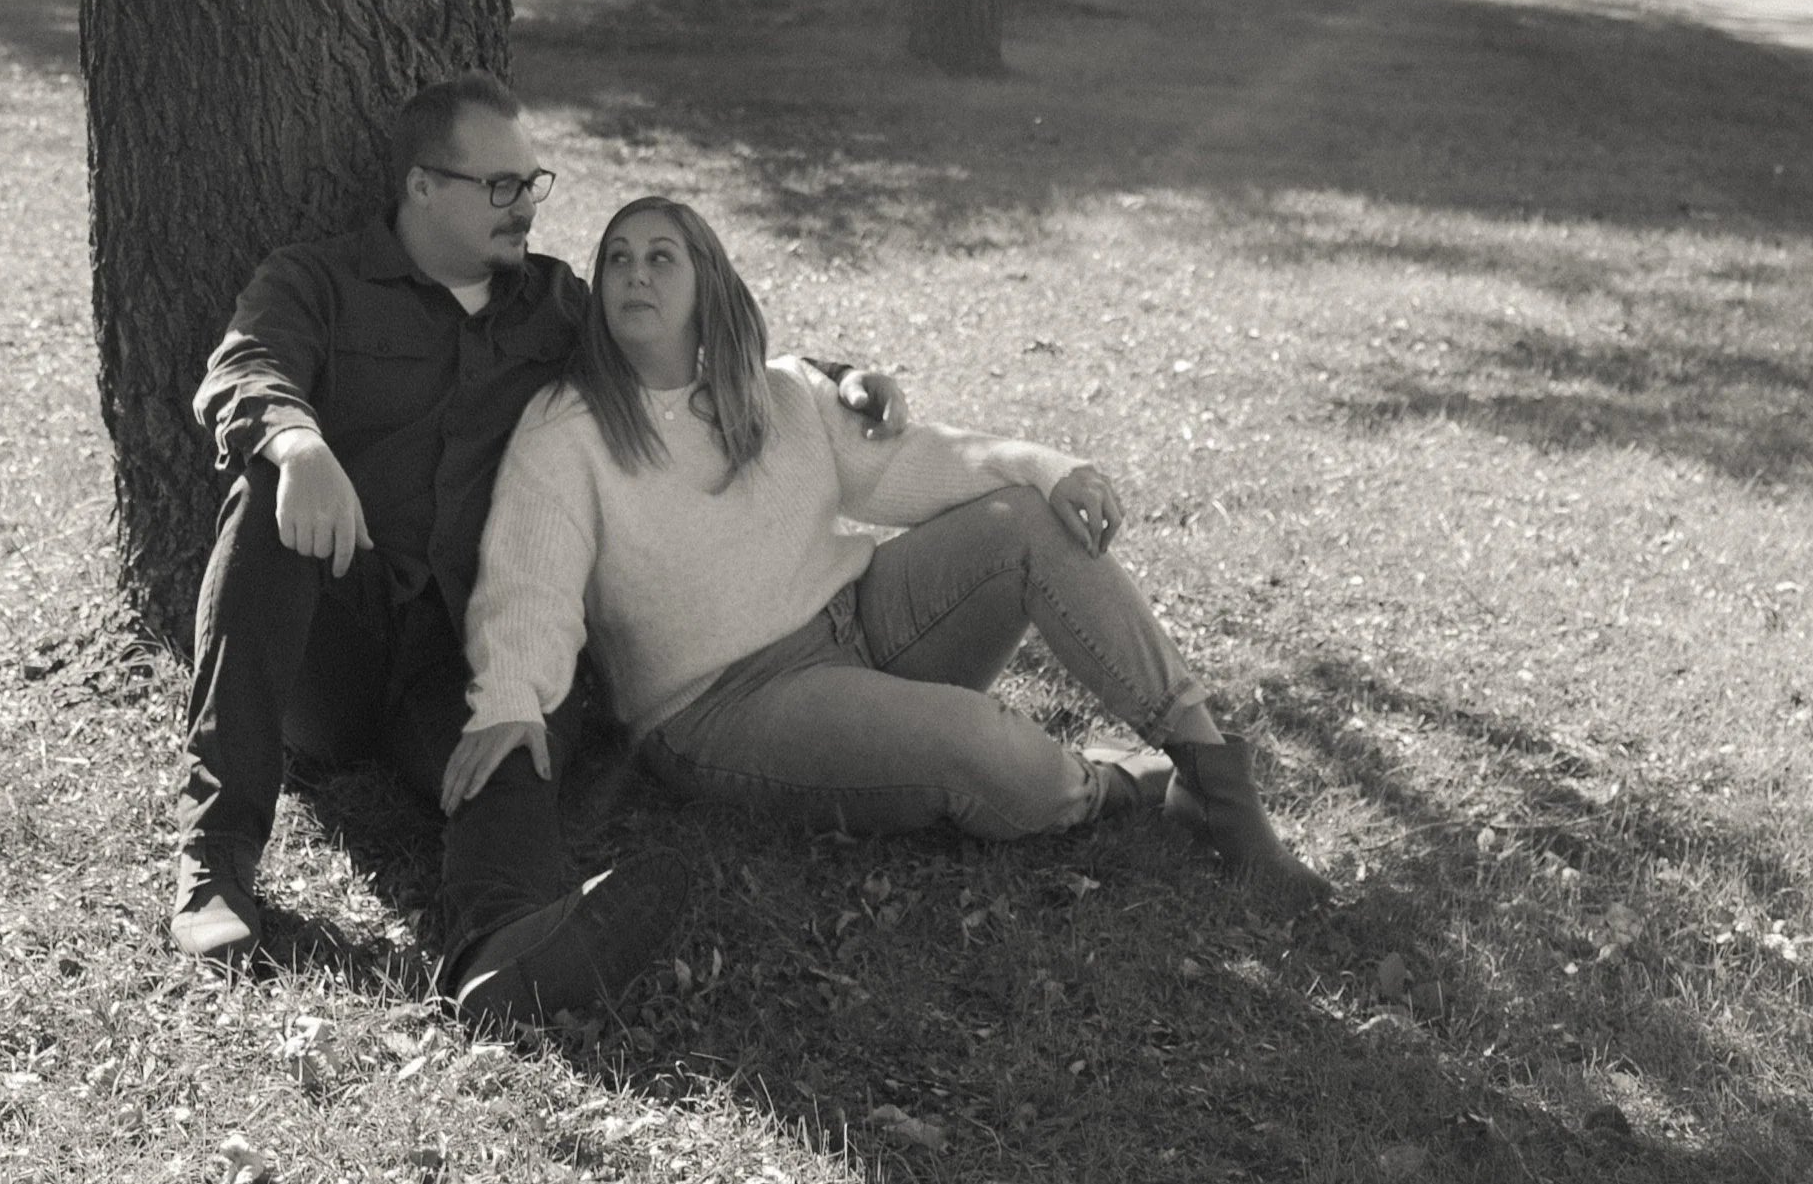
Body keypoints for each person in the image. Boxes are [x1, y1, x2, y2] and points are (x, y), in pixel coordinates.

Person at [170, 76, 903, 1023]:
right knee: (266, 487)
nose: (526, 206)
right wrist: (297, 441)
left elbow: (683, 351)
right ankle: (214, 865)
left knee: (511, 718)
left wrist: (836, 378)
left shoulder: (554, 306)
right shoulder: (319, 280)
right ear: (422, 186)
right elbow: (245, 365)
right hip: (332, 642)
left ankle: (505, 947)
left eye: (532, 183)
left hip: (457, 642)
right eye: (502, 186)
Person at [446, 196, 1330, 911]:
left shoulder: (780, 391)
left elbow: (912, 463)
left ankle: (1210, 772)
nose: (635, 272)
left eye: (660, 255)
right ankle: (1108, 786)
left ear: (708, 279)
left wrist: (1044, 467)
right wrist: (509, 700)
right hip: (728, 704)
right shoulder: (566, 430)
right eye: (619, 259)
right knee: (970, 743)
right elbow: (529, 577)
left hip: (859, 618)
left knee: (1027, 520)